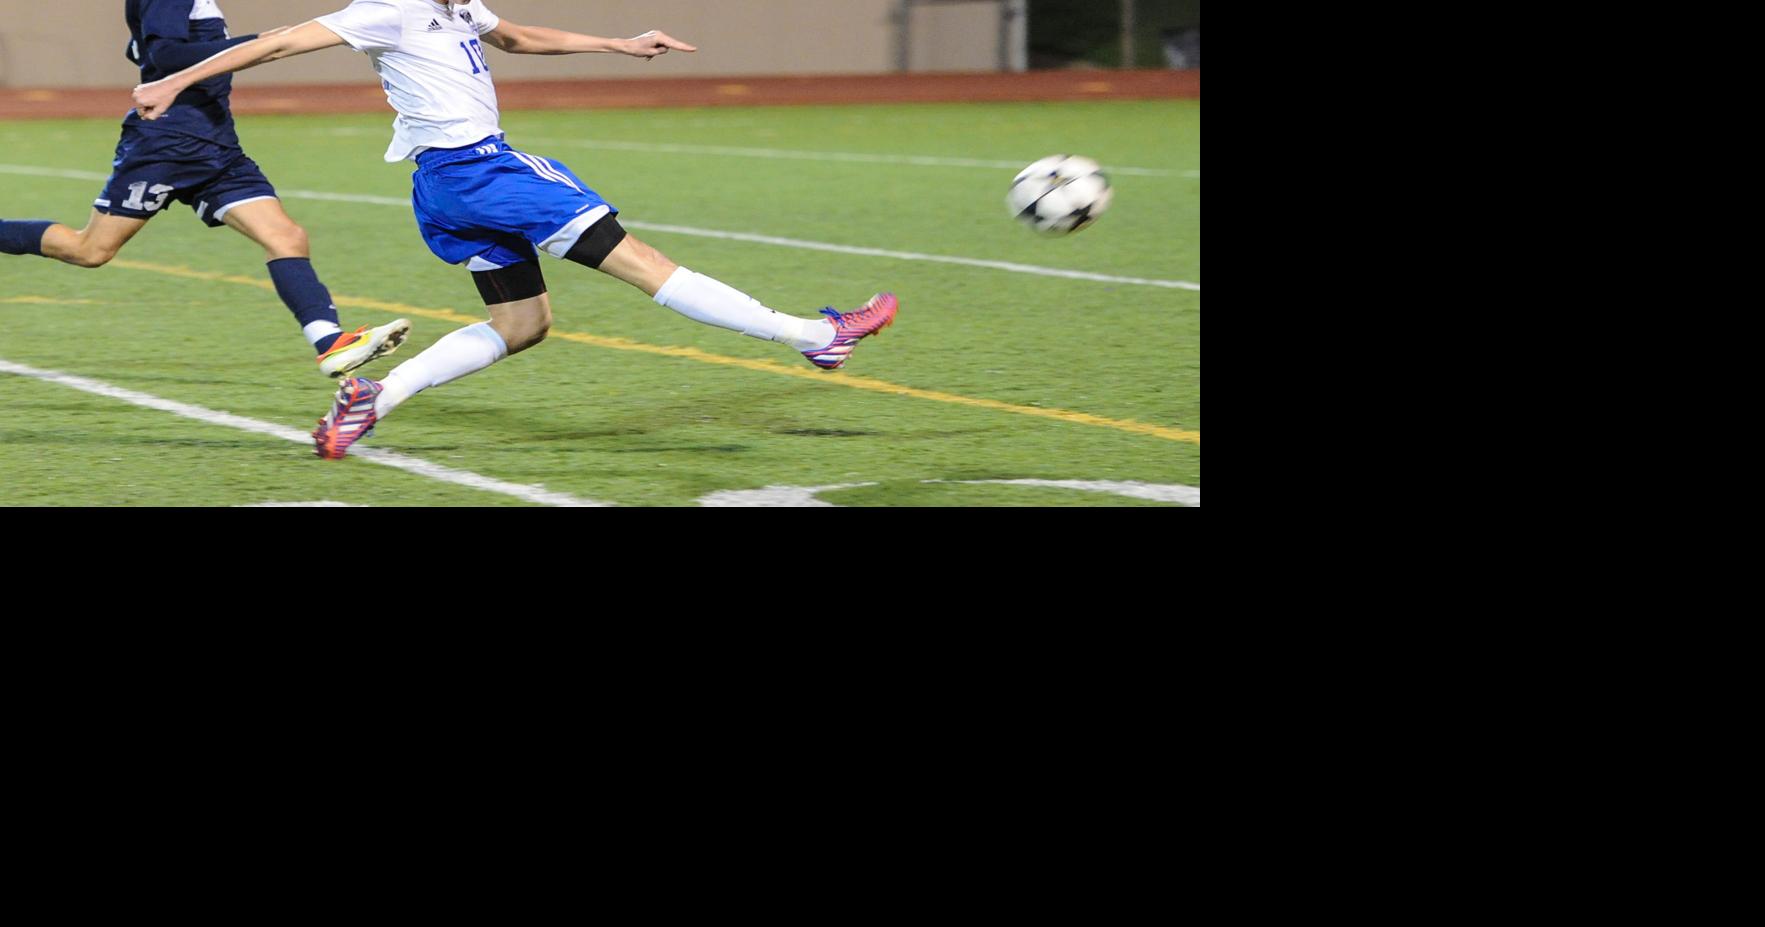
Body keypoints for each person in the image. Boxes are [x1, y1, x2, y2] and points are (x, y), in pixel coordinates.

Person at [131, 0, 899, 460]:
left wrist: (618, 44)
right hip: (483, 174)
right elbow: (274, 44)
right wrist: (175, 79)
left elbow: (518, 37)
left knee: (522, 324)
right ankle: (814, 336)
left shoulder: (457, 6)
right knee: (643, 263)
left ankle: (375, 398)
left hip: (446, 188)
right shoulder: (385, 9)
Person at [0, 0, 411, 378]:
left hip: (216, 143)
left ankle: (330, 342)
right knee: (89, 250)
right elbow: (165, 55)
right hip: (167, 144)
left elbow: (142, 48)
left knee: (286, 236)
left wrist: (244, 44)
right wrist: (255, 43)